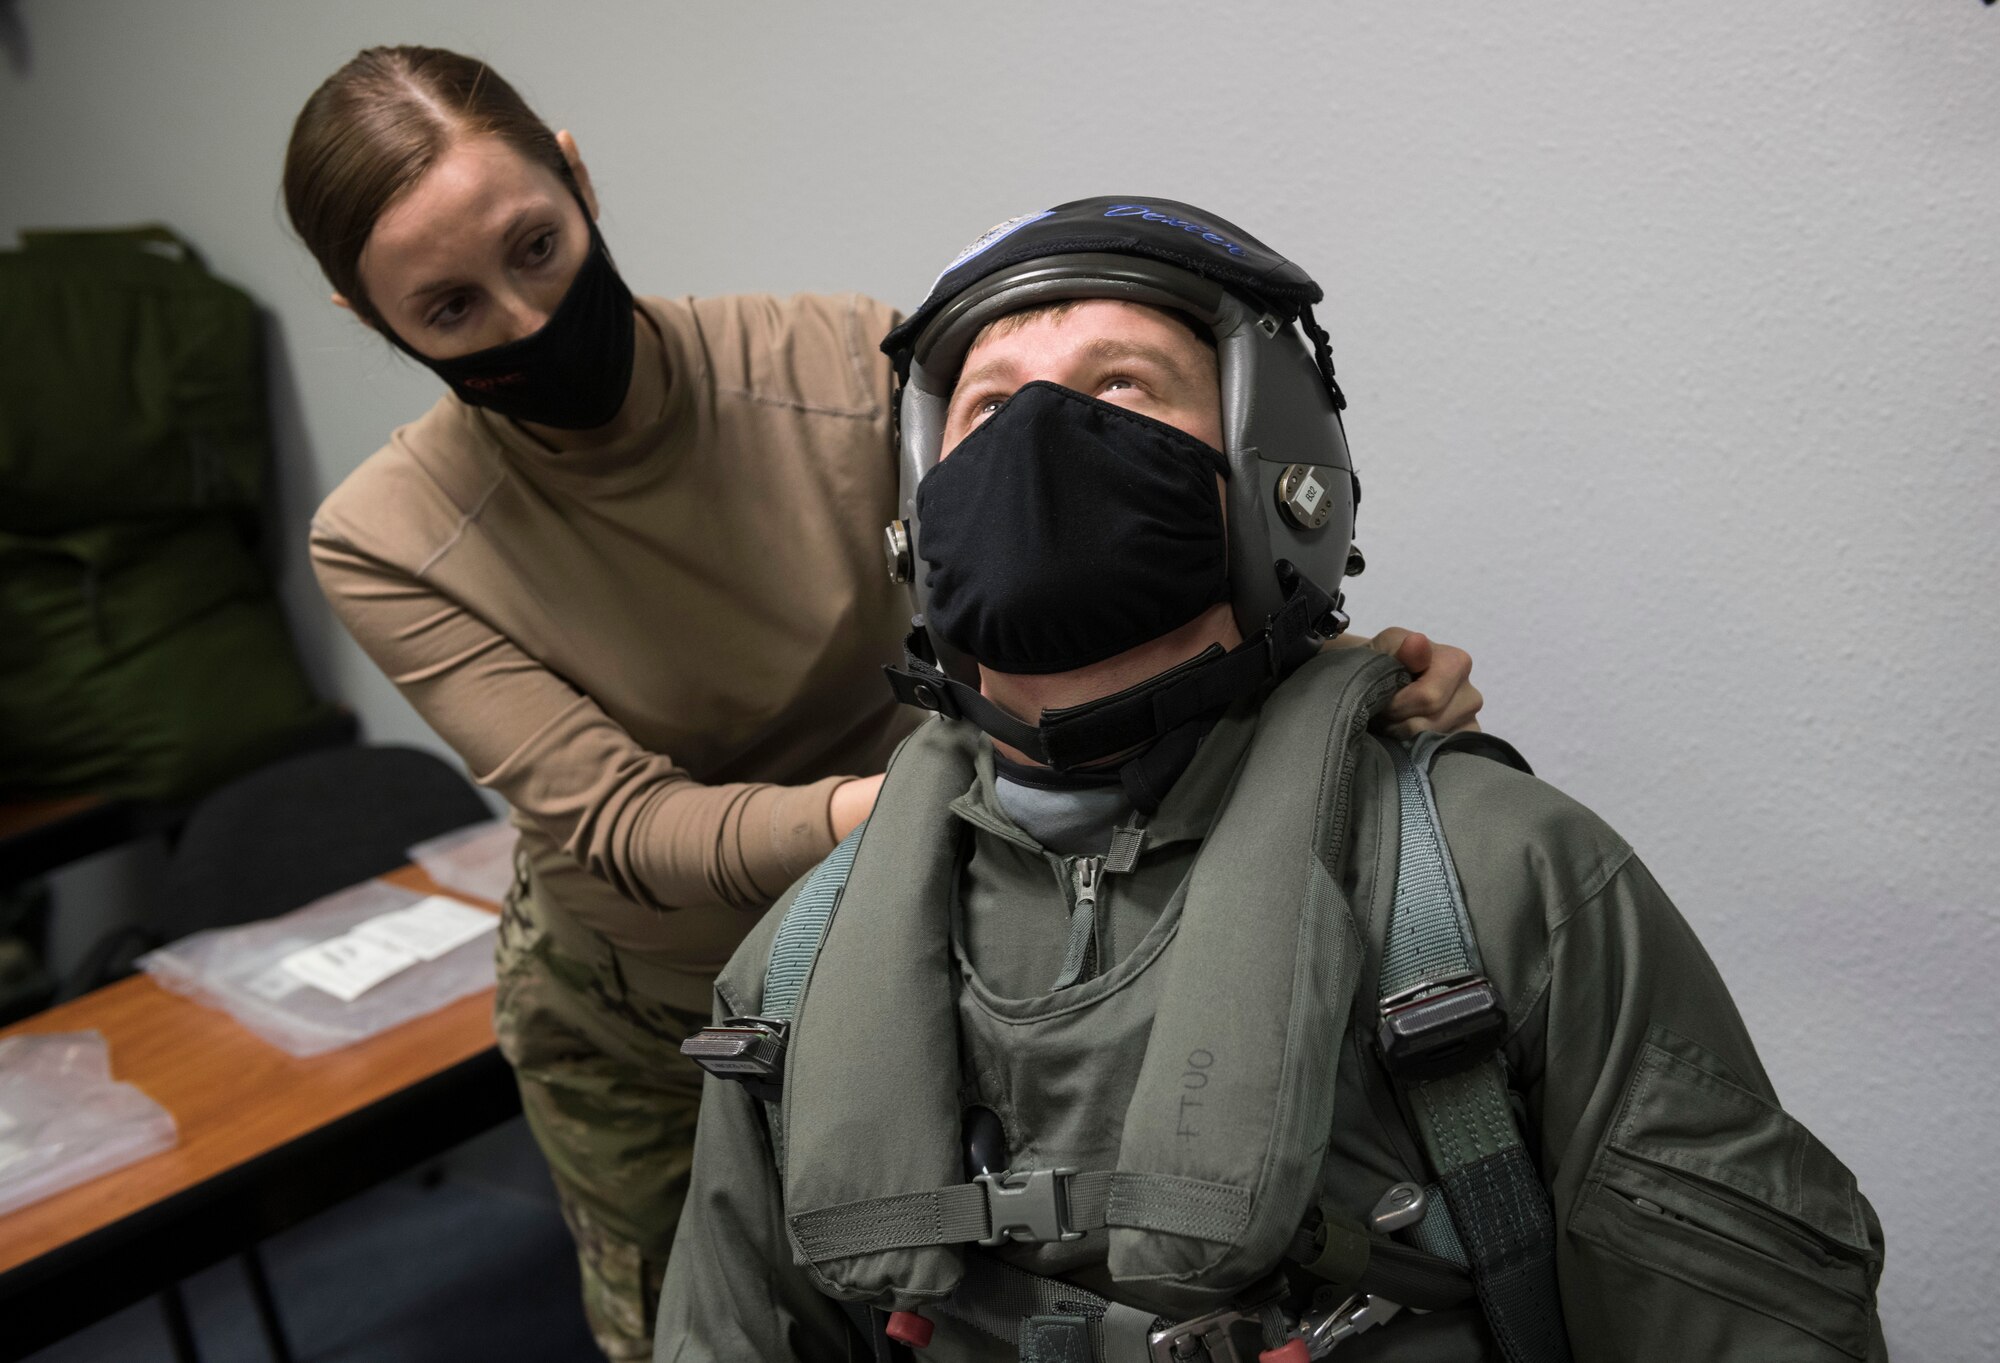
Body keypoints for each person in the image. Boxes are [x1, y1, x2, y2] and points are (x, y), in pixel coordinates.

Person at [281, 51, 1485, 1360]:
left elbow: (1092, 573)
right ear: (370, 316)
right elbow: (631, 826)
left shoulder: (843, 363)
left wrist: (1329, 669)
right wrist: (945, 798)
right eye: (451, 307)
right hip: (651, 990)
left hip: (912, 924)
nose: (527, 319)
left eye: (538, 245)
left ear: (577, 175)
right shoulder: (385, 539)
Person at [654, 198, 1889, 1362]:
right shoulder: (796, 970)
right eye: (985, 411)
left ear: (1271, 468)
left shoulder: (1496, 886)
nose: (1036, 436)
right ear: (922, 517)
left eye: (1119, 386)